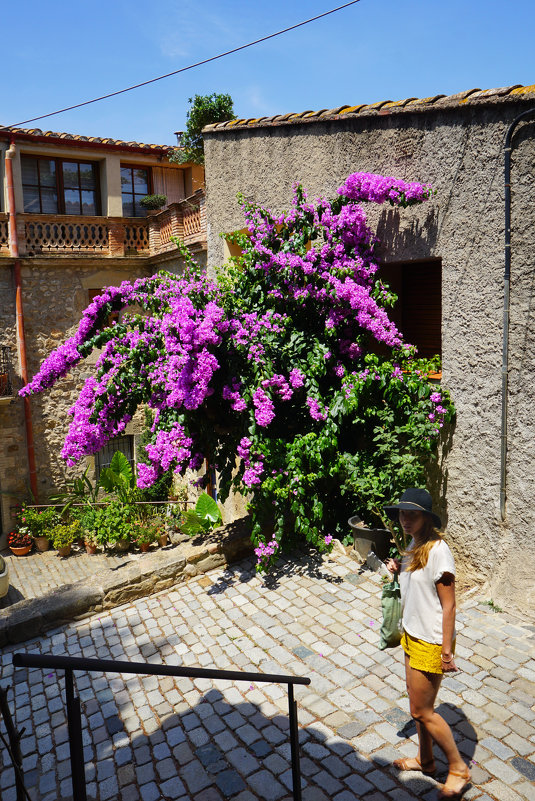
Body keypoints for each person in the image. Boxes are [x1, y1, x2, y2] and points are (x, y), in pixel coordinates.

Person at [384, 488, 471, 800]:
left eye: (412, 514)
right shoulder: (415, 543)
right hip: (411, 633)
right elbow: (416, 584)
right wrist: (398, 568)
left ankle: (459, 768)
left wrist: (446, 652)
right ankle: (426, 761)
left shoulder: (438, 551)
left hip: (431, 641)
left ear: (426, 518)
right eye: (402, 514)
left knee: (423, 711)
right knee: (416, 708)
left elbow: (449, 606)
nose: (405, 519)